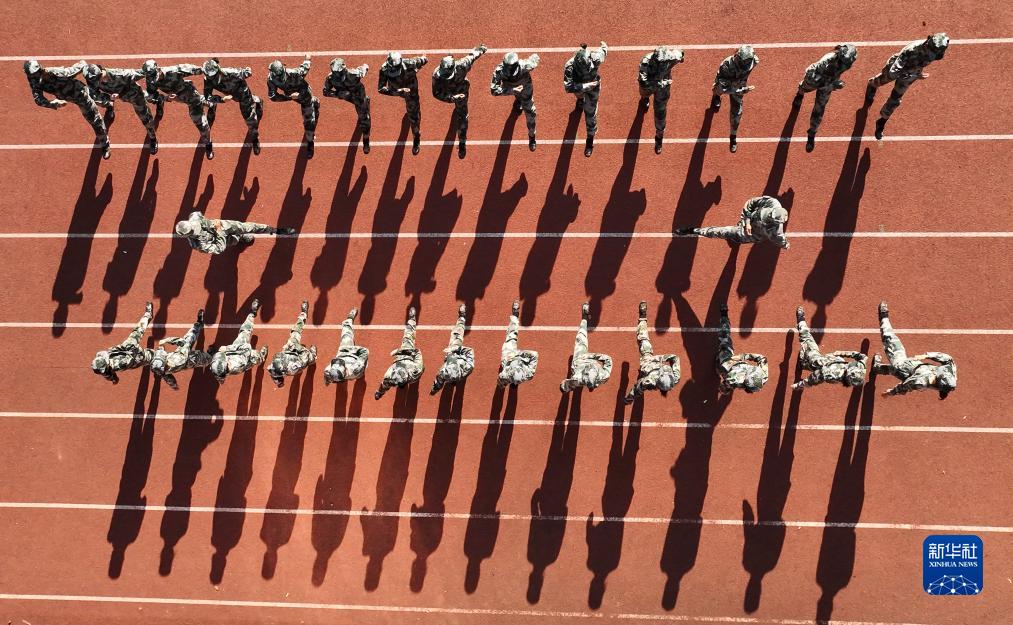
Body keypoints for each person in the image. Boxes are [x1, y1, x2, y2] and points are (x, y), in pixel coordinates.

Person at [866, 33, 949, 140]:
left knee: (895, 100)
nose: (931, 55)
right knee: (882, 80)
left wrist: (916, 73)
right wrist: (913, 74)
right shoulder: (911, 50)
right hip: (896, 69)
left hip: (910, 74)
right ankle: (872, 85)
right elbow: (893, 72)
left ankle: (881, 122)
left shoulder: (936, 53)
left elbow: (921, 63)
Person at [24, 59, 110, 159]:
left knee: (95, 119)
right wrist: (52, 103)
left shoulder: (56, 73)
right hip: (70, 98)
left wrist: (83, 66)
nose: (34, 76)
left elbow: (72, 71)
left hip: (81, 95)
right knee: (99, 104)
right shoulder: (34, 81)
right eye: (32, 75)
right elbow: (38, 99)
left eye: (36, 73)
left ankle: (104, 143)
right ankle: (108, 105)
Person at [872, 301, 957, 398]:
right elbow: (948, 359)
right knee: (893, 370)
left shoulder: (921, 381)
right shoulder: (950, 375)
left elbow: (905, 387)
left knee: (890, 340)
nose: (941, 371)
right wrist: (926, 356)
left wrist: (890, 393)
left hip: (902, 367)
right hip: (916, 365)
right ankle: (877, 368)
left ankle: (884, 316)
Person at [142, 59, 214, 159]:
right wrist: (165, 98)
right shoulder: (151, 79)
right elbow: (151, 95)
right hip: (176, 97)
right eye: (151, 78)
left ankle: (208, 143)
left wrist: (208, 70)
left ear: (158, 69)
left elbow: (195, 69)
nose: (154, 80)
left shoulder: (175, 71)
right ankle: (210, 103)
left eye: (155, 76)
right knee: (150, 98)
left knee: (201, 125)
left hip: (190, 97)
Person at [793, 44, 858, 152]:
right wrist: (831, 84)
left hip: (828, 84)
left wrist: (832, 83)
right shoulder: (826, 62)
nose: (848, 64)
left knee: (819, 110)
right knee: (803, 88)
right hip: (814, 79)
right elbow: (810, 72)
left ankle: (812, 133)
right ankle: (799, 95)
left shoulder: (846, 63)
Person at [83, 63, 158, 153]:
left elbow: (141, 73)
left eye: (96, 81)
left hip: (134, 96)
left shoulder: (121, 74)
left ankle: (153, 138)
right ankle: (110, 106)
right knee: (100, 101)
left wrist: (152, 71)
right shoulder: (93, 80)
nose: (96, 84)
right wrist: (108, 98)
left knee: (146, 118)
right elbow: (94, 94)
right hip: (114, 96)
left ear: (100, 74)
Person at [432, 44, 488, 158]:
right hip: (449, 93)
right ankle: (456, 104)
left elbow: (472, 56)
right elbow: (436, 93)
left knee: (463, 117)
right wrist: (452, 98)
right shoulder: (437, 76)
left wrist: (481, 49)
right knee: (459, 109)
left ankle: (462, 142)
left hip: (462, 91)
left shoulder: (462, 65)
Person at [793, 306, 867, 390]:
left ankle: (801, 320)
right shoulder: (860, 367)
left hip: (820, 362)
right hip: (832, 360)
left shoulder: (831, 374)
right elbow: (863, 357)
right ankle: (803, 364)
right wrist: (841, 353)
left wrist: (800, 385)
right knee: (814, 365)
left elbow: (814, 377)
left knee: (807, 340)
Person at [676, 195, 790, 249]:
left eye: (771, 218)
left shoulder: (777, 232)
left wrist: (786, 245)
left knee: (736, 238)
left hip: (750, 235)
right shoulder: (772, 203)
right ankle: (695, 230)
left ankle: (736, 238)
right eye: (770, 214)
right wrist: (747, 222)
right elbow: (751, 203)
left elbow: (780, 241)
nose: (769, 216)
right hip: (747, 222)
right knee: (721, 232)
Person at [202, 58, 264, 155]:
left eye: (213, 77)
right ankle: (256, 99)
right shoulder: (208, 79)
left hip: (243, 95)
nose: (211, 79)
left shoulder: (232, 72)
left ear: (218, 71)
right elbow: (207, 96)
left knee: (250, 120)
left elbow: (247, 72)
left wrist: (247, 72)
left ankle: (255, 138)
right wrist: (221, 99)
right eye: (209, 77)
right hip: (232, 96)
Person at [625, 301, 681, 404]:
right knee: (643, 340)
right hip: (649, 360)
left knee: (643, 340)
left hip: (646, 365)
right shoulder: (674, 378)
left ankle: (641, 373)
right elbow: (675, 358)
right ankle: (642, 317)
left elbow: (636, 389)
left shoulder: (649, 381)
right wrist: (657, 358)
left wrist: (629, 399)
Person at [174, 210, 296, 254]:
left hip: (224, 226)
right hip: (222, 239)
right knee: (235, 240)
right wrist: (219, 232)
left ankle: (275, 230)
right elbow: (219, 249)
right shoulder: (198, 245)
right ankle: (241, 238)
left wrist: (215, 225)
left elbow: (199, 215)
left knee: (248, 227)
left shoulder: (194, 217)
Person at [267, 55, 318, 157]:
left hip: (305, 95)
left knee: (309, 123)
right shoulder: (271, 79)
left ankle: (310, 142)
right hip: (296, 98)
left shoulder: (293, 73)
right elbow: (273, 96)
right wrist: (290, 97)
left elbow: (304, 69)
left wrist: (307, 59)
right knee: (313, 107)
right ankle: (315, 103)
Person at [378, 51, 428, 155]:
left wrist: (423, 59)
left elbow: (424, 60)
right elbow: (381, 89)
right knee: (411, 108)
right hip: (397, 90)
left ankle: (416, 136)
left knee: (414, 116)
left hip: (411, 90)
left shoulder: (410, 63)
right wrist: (398, 92)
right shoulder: (384, 70)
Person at [149, 309, 213, 390]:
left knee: (191, 335)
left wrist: (173, 385)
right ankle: (210, 356)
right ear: (164, 363)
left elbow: (168, 378)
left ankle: (199, 323)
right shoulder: (176, 361)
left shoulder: (159, 369)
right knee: (206, 359)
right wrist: (167, 340)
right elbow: (183, 343)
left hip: (180, 353)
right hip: (189, 359)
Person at [711, 45, 759, 153]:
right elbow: (724, 88)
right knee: (717, 90)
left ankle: (733, 137)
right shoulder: (726, 66)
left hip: (739, 86)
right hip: (724, 84)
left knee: (737, 114)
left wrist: (740, 88)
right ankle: (716, 97)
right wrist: (740, 91)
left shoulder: (754, 61)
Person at [563, 42, 608, 157]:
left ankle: (590, 139)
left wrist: (603, 45)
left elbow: (604, 50)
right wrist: (585, 86)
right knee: (579, 96)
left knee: (590, 114)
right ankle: (580, 100)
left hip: (593, 88)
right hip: (579, 86)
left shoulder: (596, 58)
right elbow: (568, 87)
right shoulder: (569, 66)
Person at [638, 46, 685, 154]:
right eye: (659, 62)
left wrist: (682, 58)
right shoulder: (646, 62)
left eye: (663, 62)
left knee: (660, 114)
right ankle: (645, 99)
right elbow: (643, 82)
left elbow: (681, 53)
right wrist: (658, 84)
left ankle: (659, 137)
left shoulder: (671, 57)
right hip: (649, 85)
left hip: (662, 89)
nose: (661, 64)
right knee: (644, 93)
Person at [92, 302, 154, 383]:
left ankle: (148, 315)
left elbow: (101, 355)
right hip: (135, 357)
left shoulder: (100, 358)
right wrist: (135, 348)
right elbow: (130, 359)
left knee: (138, 330)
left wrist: (113, 379)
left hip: (124, 347)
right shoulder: (120, 364)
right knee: (151, 356)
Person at [210, 300, 269, 385]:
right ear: (226, 364)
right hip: (246, 355)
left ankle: (252, 314)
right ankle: (262, 356)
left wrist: (218, 354)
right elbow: (247, 349)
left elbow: (218, 370)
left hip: (234, 353)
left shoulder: (218, 369)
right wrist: (227, 348)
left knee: (244, 330)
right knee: (256, 357)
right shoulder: (238, 364)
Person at [490, 51, 540, 151]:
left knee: (531, 114)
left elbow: (535, 58)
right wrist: (512, 90)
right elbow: (494, 90)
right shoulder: (499, 71)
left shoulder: (525, 66)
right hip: (512, 90)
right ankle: (518, 100)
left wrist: (533, 59)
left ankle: (532, 136)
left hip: (526, 92)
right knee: (517, 96)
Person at [560, 303, 613, 392]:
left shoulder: (577, 378)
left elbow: (564, 384)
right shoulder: (604, 376)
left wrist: (565, 387)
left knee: (580, 338)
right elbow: (608, 359)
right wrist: (590, 356)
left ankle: (584, 318)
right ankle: (584, 317)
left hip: (579, 360)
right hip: (585, 358)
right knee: (581, 337)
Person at [322, 58, 371, 154]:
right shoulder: (331, 78)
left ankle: (366, 139)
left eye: (339, 74)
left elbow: (365, 68)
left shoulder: (354, 73)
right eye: (336, 74)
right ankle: (366, 101)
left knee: (364, 118)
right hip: (347, 96)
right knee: (362, 110)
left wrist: (365, 66)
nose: (337, 77)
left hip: (358, 97)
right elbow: (325, 92)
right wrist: (337, 94)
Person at [716, 304, 768, 394]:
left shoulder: (762, 378)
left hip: (730, 371)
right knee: (724, 339)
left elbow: (725, 386)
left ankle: (718, 366)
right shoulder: (734, 379)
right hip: (728, 363)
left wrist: (724, 388)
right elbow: (762, 358)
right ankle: (724, 316)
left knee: (721, 371)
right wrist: (742, 357)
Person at [375, 307, 424, 399]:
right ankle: (412, 319)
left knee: (407, 337)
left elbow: (384, 385)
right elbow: (417, 352)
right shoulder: (415, 371)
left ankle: (411, 319)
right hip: (408, 356)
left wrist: (379, 392)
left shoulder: (390, 376)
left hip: (400, 358)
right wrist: (404, 351)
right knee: (408, 337)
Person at [267, 300, 318, 388]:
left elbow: (274, 373)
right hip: (300, 356)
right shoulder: (294, 368)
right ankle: (313, 355)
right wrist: (299, 348)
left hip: (289, 350)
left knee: (295, 331)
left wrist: (291, 345)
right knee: (310, 359)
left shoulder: (274, 367)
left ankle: (303, 313)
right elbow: (304, 357)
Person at [431, 304, 475, 394]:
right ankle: (462, 317)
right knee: (457, 334)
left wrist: (435, 389)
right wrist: (458, 349)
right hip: (458, 351)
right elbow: (470, 351)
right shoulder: (467, 368)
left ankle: (461, 318)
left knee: (456, 335)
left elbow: (439, 381)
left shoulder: (444, 372)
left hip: (451, 353)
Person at [323, 307, 370, 385]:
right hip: (355, 357)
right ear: (344, 370)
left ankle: (349, 319)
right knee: (360, 372)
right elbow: (364, 351)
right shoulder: (356, 369)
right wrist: (353, 351)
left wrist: (327, 380)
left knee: (346, 332)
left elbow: (327, 377)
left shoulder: (329, 371)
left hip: (343, 352)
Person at [498, 300, 539, 387]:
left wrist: (502, 382)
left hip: (508, 357)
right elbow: (535, 354)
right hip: (518, 355)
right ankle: (515, 315)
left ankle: (514, 317)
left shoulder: (505, 375)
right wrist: (520, 354)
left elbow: (501, 377)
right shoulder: (529, 374)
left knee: (510, 337)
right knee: (512, 335)